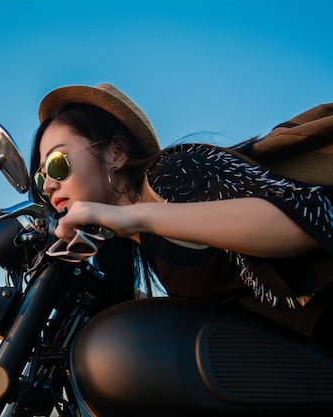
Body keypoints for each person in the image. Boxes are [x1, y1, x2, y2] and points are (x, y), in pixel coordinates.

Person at [29, 82, 333, 348]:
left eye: (57, 164)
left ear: (116, 153)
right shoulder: (141, 244)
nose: (51, 184)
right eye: (42, 179)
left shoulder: (172, 172)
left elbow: (304, 218)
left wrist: (133, 218)